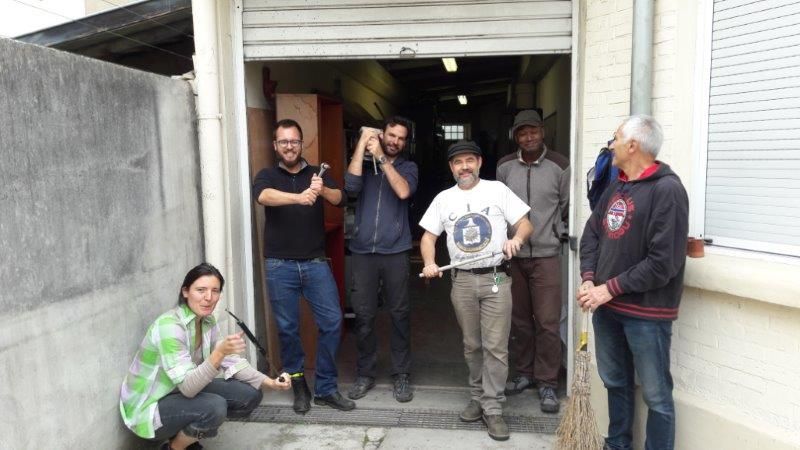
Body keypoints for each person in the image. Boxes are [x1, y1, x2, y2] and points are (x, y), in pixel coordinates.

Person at [577, 115, 688, 450]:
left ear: (632, 145)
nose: (610, 145)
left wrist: (606, 289)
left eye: (615, 138)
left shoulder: (668, 190)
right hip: (607, 308)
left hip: (647, 314)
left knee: (656, 396)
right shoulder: (617, 185)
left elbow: (662, 264)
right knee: (616, 383)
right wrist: (588, 278)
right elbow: (592, 233)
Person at [419, 140, 533, 441]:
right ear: (451, 168)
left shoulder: (496, 190)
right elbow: (428, 238)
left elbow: (525, 224)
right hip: (462, 281)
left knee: (496, 345)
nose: (464, 167)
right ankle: (478, 396)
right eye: (458, 162)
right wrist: (430, 262)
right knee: (472, 345)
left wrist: (516, 240)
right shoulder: (443, 199)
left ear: (480, 162)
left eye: (469, 160)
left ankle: (493, 408)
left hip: (496, 277)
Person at [119, 263, 292, 450]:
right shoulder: (170, 327)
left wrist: (270, 382)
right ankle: (175, 447)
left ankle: (188, 434)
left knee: (250, 395)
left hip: (176, 390)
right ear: (185, 292)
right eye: (200, 290)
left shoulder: (206, 321)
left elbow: (231, 361)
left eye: (215, 291)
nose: (208, 298)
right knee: (214, 407)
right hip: (148, 408)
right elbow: (188, 388)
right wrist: (218, 353)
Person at [252, 119, 355, 414]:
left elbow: (340, 198)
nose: (289, 147)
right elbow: (263, 196)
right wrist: (298, 198)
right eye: (283, 142)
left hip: (315, 263)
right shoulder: (267, 175)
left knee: (333, 322)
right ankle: (298, 385)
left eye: (294, 141)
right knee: (288, 329)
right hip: (279, 265)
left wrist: (321, 190)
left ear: (301, 143)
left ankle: (325, 387)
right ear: (275, 146)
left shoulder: (316, 174)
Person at [496, 109, 569, 413]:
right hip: (513, 257)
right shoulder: (504, 167)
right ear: (515, 135)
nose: (528, 138)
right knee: (520, 322)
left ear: (543, 131)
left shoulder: (559, 165)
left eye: (533, 131)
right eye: (522, 133)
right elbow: (499, 208)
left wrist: (556, 232)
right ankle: (525, 374)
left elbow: (566, 206)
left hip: (546, 256)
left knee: (548, 323)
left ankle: (548, 383)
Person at [344, 116, 418, 403]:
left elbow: (402, 191)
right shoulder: (362, 165)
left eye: (400, 137)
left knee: (399, 314)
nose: (394, 141)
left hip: (396, 251)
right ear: (382, 134)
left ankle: (401, 374)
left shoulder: (408, 167)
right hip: (363, 252)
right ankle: (365, 373)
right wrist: (363, 141)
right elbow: (350, 188)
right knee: (364, 316)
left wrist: (382, 160)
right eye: (391, 135)